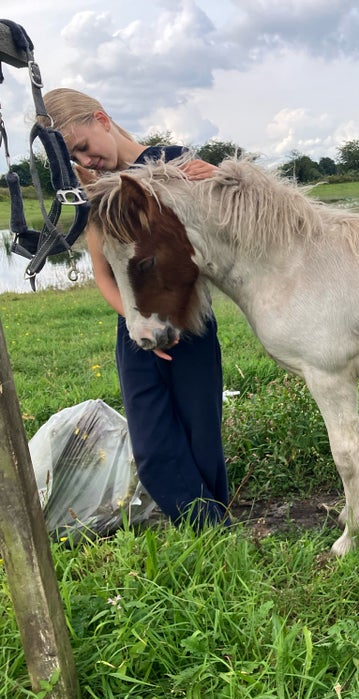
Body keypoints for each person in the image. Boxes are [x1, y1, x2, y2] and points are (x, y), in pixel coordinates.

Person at [42, 87, 231, 528]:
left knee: (202, 434)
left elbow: (224, 229)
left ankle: (211, 527)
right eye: (75, 156)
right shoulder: (96, 189)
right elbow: (103, 272)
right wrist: (138, 322)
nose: (85, 160)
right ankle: (207, 528)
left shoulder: (173, 162)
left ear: (102, 120)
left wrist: (220, 181)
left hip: (192, 324)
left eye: (84, 147)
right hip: (137, 330)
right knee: (151, 444)